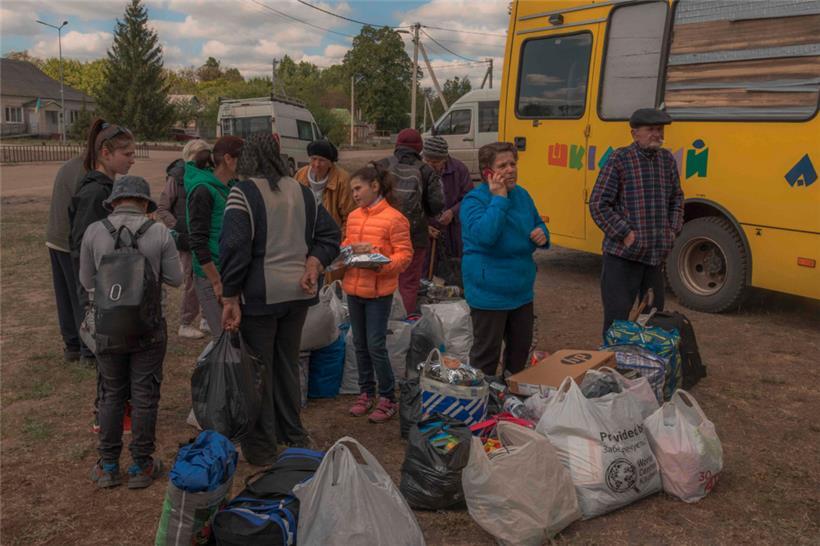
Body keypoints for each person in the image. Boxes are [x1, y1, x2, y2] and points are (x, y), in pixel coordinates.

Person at [220, 133, 340, 465]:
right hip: (297, 296)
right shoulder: (303, 192)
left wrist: (229, 296)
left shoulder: (243, 192)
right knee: (287, 364)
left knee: (258, 370)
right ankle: (292, 433)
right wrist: (314, 262)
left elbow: (234, 247)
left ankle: (262, 447)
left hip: (259, 297)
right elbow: (331, 235)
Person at [80, 176, 183, 488]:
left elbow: (86, 280)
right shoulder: (159, 231)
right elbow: (176, 279)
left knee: (111, 392)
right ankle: (141, 464)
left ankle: (109, 465)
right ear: (144, 202)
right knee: (144, 393)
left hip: (107, 327)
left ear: (114, 201)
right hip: (148, 326)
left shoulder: (94, 231)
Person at [589, 108, 684, 339]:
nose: (657, 134)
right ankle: (613, 359)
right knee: (617, 320)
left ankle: (642, 360)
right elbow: (599, 203)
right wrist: (625, 233)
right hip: (622, 258)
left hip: (654, 258)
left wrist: (672, 230)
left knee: (652, 319)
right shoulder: (619, 159)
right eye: (650, 129)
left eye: (659, 129)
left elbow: (677, 198)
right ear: (634, 133)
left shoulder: (667, 160)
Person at [461, 142, 550, 377]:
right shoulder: (473, 201)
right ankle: (483, 396)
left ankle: (510, 393)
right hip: (489, 293)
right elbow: (485, 236)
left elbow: (537, 222)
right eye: (502, 166)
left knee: (519, 352)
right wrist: (499, 199)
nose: (511, 169)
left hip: (521, 291)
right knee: (486, 356)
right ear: (487, 173)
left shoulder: (522, 195)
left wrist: (543, 233)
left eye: (513, 163)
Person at [343, 164, 413, 422]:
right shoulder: (353, 216)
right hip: (354, 288)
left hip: (378, 293)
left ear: (374, 186)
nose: (355, 195)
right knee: (359, 344)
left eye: (358, 188)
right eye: (352, 190)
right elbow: (347, 243)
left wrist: (381, 264)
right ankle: (365, 392)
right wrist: (345, 252)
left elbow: (405, 255)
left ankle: (388, 397)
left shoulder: (395, 218)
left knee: (375, 345)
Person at [69, 118, 137, 367]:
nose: (132, 160)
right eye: (127, 154)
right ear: (106, 153)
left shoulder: (108, 188)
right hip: (101, 289)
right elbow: (83, 246)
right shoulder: (95, 193)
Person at [376, 128, 444, 315]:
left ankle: (382, 322)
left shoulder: (381, 166)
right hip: (414, 236)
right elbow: (437, 205)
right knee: (409, 282)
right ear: (419, 148)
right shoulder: (425, 170)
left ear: (397, 145)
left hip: (381, 234)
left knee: (382, 279)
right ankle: (405, 324)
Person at [184, 136, 244, 338]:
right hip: (212, 276)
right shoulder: (202, 190)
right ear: (228, 159)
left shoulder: (230, 186)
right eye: (243, 158)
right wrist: (216, 282)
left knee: (234, 338)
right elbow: (197, 241)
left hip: (229, 272)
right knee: (226, 339)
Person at [156, 142, 203, 339]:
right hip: (187, 238)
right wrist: (179, 227)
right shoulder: (177, 177)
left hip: (204, 235)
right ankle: (186, 322)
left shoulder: (206, 174)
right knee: (191, 279)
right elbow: (163, 208)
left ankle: (206, 318)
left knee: (207, 277)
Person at [46, 156, 88, 361]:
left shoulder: (70, 166)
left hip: (56, 237)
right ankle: (85, 347)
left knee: (65, 295)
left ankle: (72, 346)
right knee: (79, 296)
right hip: (69, 242)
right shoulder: (87, 171)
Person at [422, 136, 473, 283]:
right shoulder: (417, 169)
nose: (430, 165)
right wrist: (424, 224)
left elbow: (469, 198)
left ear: (445, 159)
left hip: (452, 229)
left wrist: (452, 212)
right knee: (424, 273)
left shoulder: (459, 169)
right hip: (427, 229)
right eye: (427, 161)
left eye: (435, 162)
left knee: (454, 271)